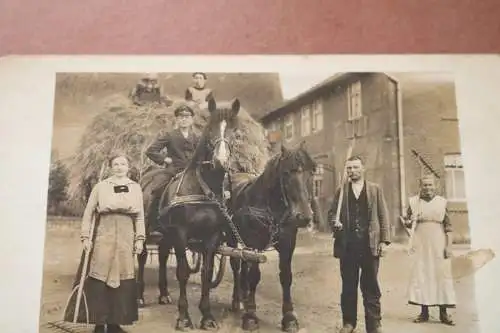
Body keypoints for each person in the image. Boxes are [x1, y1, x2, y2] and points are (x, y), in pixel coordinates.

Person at [64, 153, 145, 333]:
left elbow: (139, 216)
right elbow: (89, 212)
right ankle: (99, 323)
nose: (119, 167)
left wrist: (140, 239)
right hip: (104, 233)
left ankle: (115, 323)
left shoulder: (135, 188)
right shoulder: (101, 187)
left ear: (128, 167)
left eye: (123, 164)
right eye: (115, 164)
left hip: (126, 234)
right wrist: (86, 237)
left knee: (122, 278)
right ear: (110, 167)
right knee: (100, 276)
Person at [328, 156, 390, 333]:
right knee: (348, 286)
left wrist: (384, 241)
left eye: (355, 167)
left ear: (363, 168)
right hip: (347, 246)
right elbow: (332, 214)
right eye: (349, 168)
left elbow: (383, 216)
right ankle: (349, 323)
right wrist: (335, 223)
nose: (352, 171)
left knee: (371, 286)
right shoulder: (342, 191)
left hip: (369, 245)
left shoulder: (375, 190)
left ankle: (374, 324)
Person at [403, 175, 456, 326]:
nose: (427, 188)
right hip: (421, 243)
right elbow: (406, 223)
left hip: (438, 243)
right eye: (424, 185)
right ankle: (424, 312)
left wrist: (449, 246)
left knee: (441, 275)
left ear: (435, 186)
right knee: (422, 275)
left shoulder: (442, 203)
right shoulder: (414, 202)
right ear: (420, 186)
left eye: (430, 185)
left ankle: (443, 314)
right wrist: (409, 220)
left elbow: (449, 228)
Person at [145, 102, 200, 238]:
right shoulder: (169, 135)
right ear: (176, 119)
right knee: (157, 189)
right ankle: (154, 221)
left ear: (192, 119)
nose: (184, 119)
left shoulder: (197, 138)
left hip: (193, 173)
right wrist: (164, 159)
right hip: (173, 171)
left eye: (187, 117)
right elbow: (151, 151)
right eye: (181, 117)